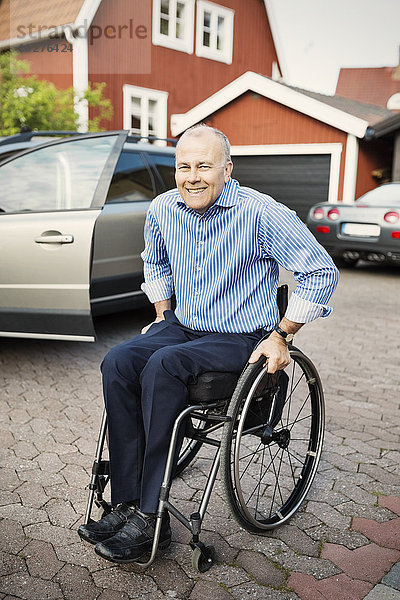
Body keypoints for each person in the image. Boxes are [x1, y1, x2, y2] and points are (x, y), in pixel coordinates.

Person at [78, 124, 339, 563]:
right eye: (184, 166)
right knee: (119, 361)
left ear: (227, 169)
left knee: (164, 365)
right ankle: (124, 501)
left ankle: (148, 518)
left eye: (204, 165)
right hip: (183, 326)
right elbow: (154, 261)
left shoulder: (261, 213)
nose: (192, 175)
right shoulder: (164, 208)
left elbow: (320, 273)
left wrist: (283, 334)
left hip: (243, 337)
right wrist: (162, 315)